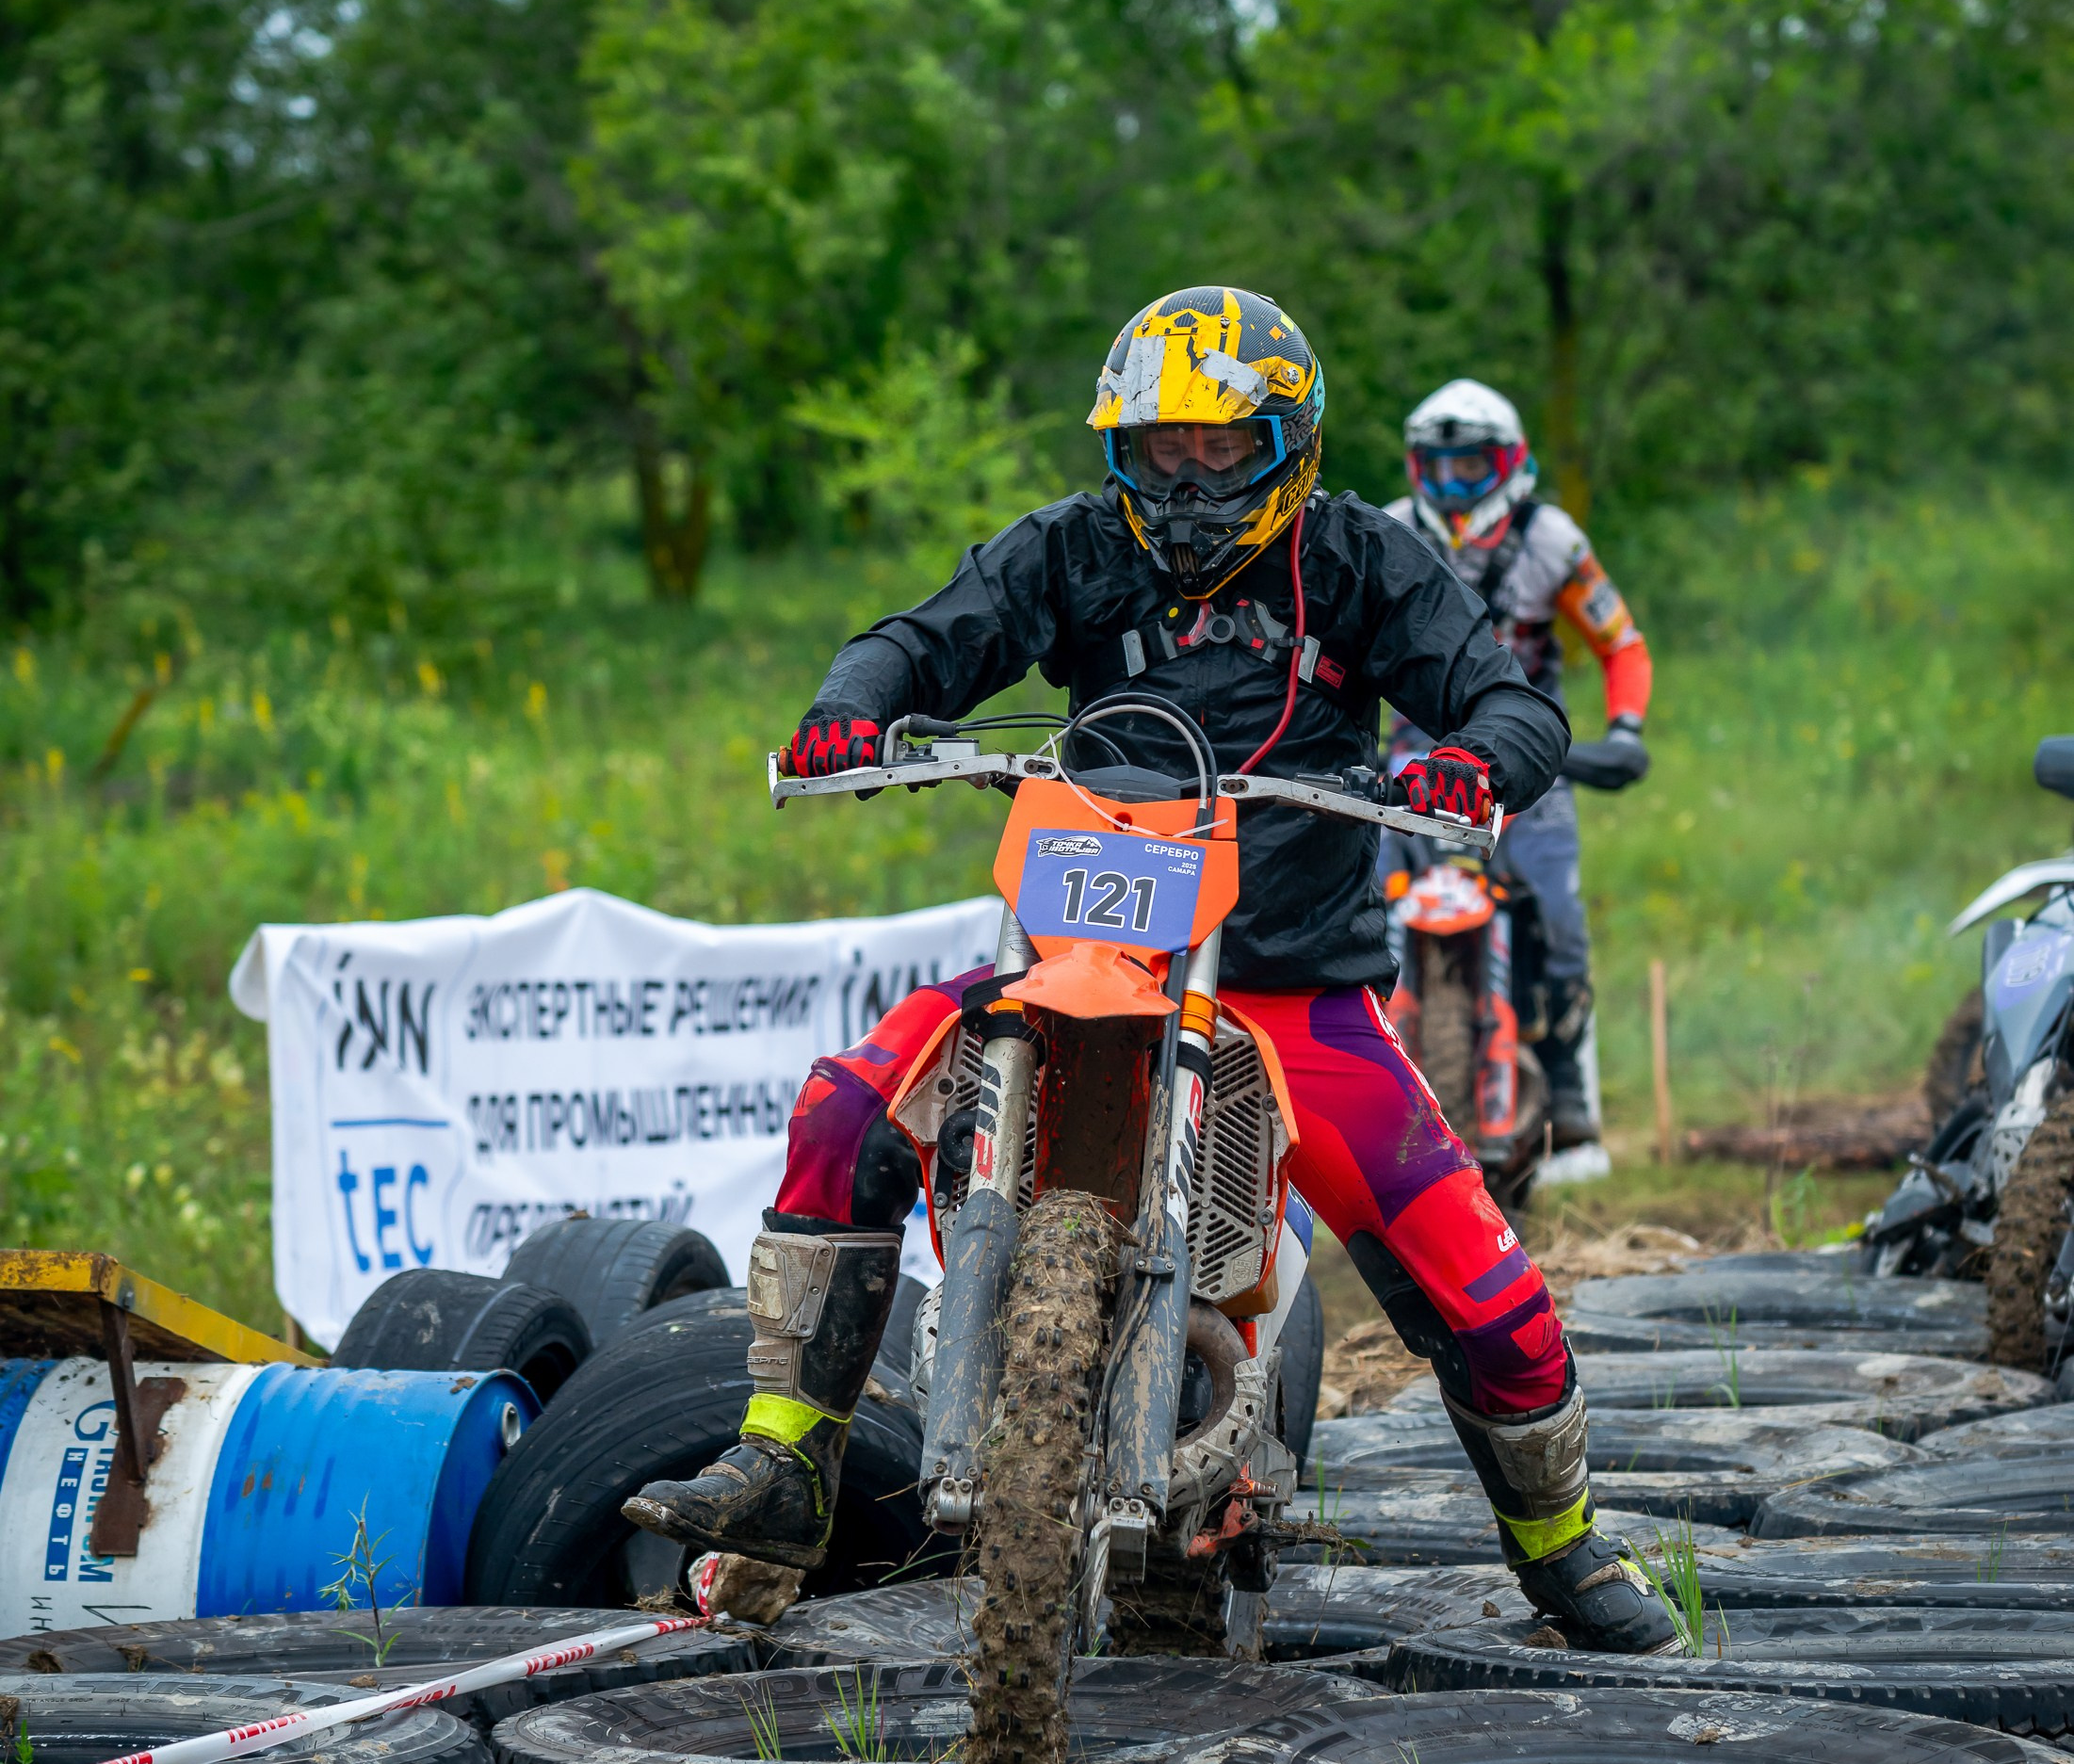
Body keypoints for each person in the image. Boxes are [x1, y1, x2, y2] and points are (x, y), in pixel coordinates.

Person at [624, 288, 1674, 1653]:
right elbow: (919, 637)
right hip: (1083, 966)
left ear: (1284, 446)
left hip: (1291, 990)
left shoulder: (1357, 560)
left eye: (1216, 451)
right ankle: (785, 1466)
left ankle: (1561, 1550)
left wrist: (1474, 757)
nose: (1181, 481)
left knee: (1485, 1291)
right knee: (844, 1109)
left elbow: (1510, 697)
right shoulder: (1069, 548)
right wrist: (849, 707)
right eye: (1154, 448)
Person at [1387, 380, 1651, 1160]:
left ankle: (1566, 1085)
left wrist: (1626, 729)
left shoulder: (1552, 542)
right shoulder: (1389, 536)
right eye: (1439, 468)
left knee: (1562, 920)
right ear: (1415, 469)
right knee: (1352, 905)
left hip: (1532, 767)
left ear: (1509, 464)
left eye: (1472, 466)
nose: (1454, 486)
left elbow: (1621, 643)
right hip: (1414, 762)